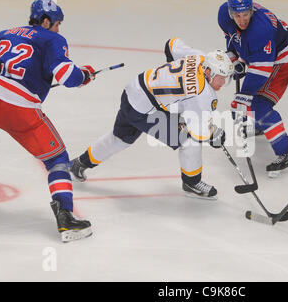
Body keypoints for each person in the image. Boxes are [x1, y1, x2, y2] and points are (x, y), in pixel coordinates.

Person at [0, 0, 95, 242]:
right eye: (57, 24)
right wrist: (84, 75)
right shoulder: (52, 39)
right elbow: (66, 76)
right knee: (57, 160)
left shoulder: (6, 32)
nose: (58, 29)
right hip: (19, 108)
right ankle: (66, 217)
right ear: (45, 21)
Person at [69, 38, 233, 200]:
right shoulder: (202, 94)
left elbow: (172, 44)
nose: (224, 82)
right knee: (188, 140)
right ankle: (192, 182)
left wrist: (171, 79)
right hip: (145, 110)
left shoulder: (199, 57)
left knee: (119, 139)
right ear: (209, 72)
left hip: (133, 90)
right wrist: (215, 135)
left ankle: (79, 163)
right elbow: (199, 132)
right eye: (222, 77)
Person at [218, 0, 288, 177]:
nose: (242, 19)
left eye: (246, 14)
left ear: (251, 10)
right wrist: (235, 59)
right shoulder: (223, 13)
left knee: (258, 104)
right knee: (250, 104)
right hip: (266, 53)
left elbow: (260, 71)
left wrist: (242, 99)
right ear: (230, 12)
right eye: (237, 15)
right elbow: (231, 38)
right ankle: (261, 124)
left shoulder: (261, 30)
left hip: (284, 58)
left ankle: (286, 153)